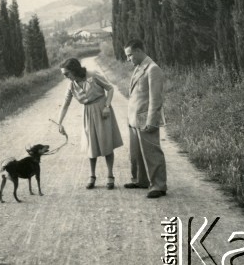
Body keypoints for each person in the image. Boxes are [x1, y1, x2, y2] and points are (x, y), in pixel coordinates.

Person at [57, 58, 123, 190]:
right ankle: (92, 176)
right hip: (88, 113)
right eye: (64, 75)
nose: (66, 77)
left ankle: (110, 175)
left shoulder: (93, 75)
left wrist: (107, 106)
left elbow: (110, 89)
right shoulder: (71, 84)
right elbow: (65, 104)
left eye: (67, 74)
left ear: (74, 70)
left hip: (102, 110)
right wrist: (60, 123)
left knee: (106, 143)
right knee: (91, 144)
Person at [123, 39, 167, 198]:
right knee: (136, 153)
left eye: (129, 55)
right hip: (134, 118)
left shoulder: (153, 69)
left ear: (139, 51)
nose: (128, 59)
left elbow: (156, 99)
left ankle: (159, 186)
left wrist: (151, 120)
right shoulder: (138, 67)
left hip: (145, 117)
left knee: (152, 152)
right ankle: (141, 180)